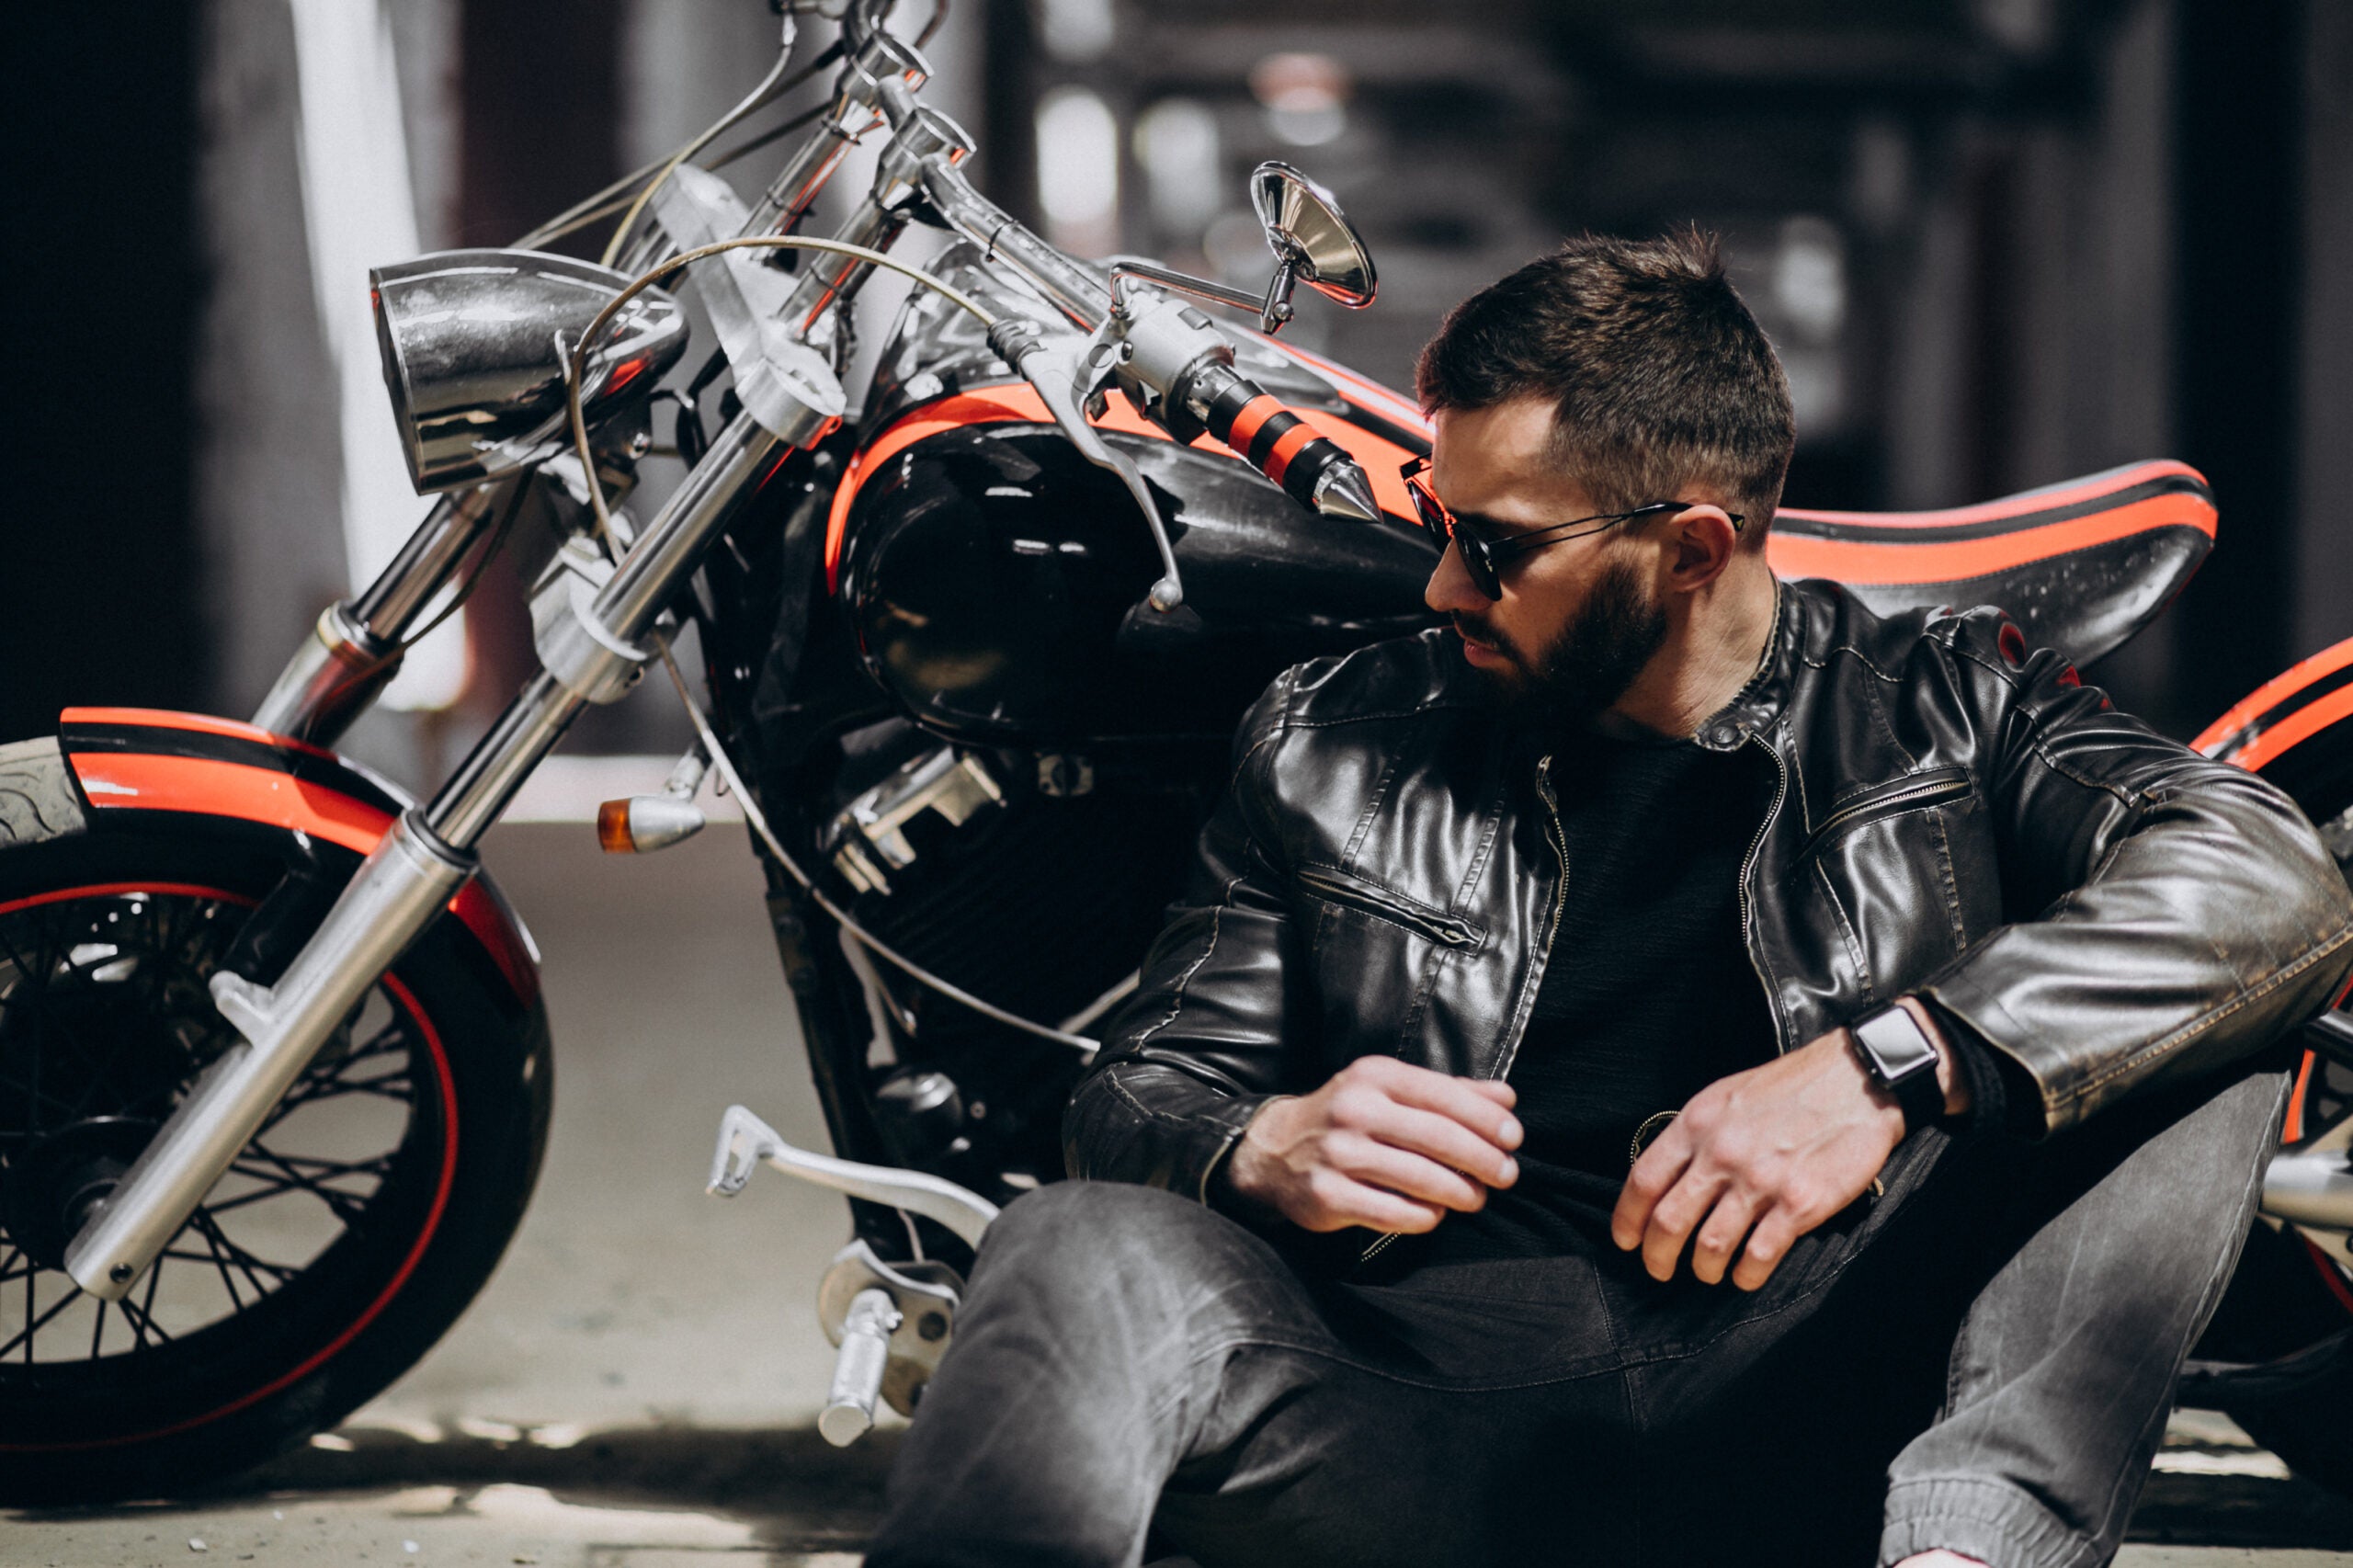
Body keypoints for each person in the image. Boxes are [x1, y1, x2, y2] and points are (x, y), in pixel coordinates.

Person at [864, 230, 2353, 1568]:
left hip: (1848, 1423)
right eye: (1444, 522)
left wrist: (1882, 1065)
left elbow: (2271, 873)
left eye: (1496, 548)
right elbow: (1144, 1085)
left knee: (2207, 1013)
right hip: (1431, 1405)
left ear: (1691, 548)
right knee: (1064, 1244)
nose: (1445, 587)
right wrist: (1258, 1144)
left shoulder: (1945, 706)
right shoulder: (1331, 734)